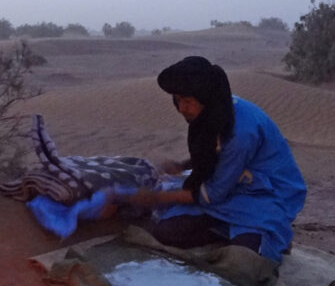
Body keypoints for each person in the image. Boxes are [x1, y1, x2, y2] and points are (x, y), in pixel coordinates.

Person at [121, 56, 306, 262]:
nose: (182, 108)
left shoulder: (240, 134)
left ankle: (265, 233)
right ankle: (226, 228)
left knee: (246, 260)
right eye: (178, 100)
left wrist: (155, 197)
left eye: (188, 101)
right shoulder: (215, 110)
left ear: (205, 99)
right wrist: (183, 165)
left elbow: (214, 193)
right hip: (231, 188)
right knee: (165, 232)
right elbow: (213, 153)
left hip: (264, 195)